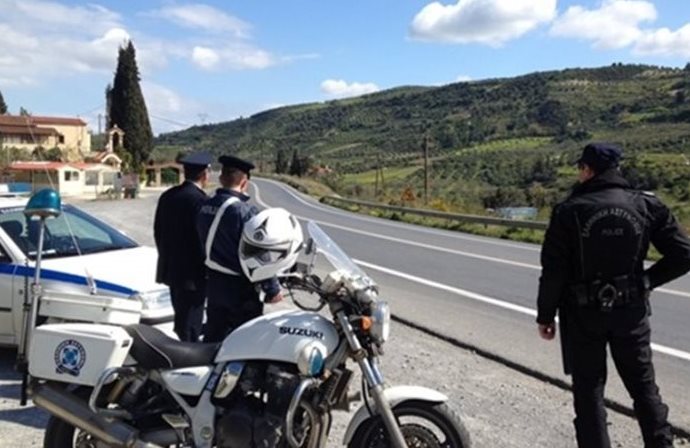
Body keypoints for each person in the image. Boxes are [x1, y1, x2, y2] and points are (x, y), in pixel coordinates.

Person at [536, 142, 690, 448]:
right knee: (644, 389)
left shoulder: (569, 210)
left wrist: (545, 316)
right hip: (630, 313)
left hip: (583, 316)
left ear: (588, 170)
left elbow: (554, 272)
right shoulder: (646, 205)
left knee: (589, 393)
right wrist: (646, 281)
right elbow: (683, 255)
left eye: (580, 168)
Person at [196, 155, 284, 343]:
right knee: (244, 341)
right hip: (239, 289)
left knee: (214, 336)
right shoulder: (244, 212)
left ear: (221, 178)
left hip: (214, 282)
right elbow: (259, 254)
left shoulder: (205, 205)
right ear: (244, 182)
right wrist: (272, 289)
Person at [154, 151, 211, 342]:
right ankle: (186, 356)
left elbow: (158, 232)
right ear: (204, 175)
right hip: (193, 276)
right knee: (191, 325)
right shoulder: (201, 201)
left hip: (172, 271)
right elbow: (202, 240)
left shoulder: (168, 196)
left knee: (181, 318)